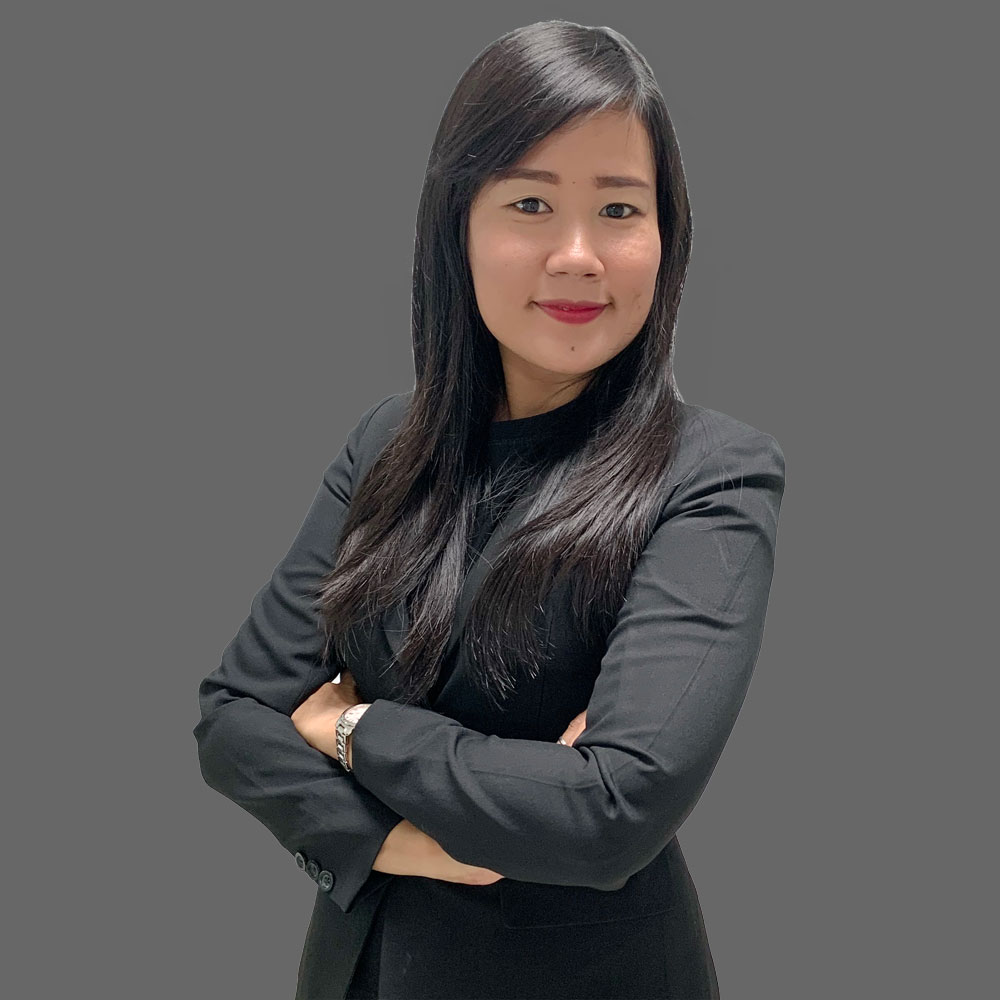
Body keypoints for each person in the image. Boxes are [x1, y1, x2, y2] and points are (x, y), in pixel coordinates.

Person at [192, 18, 785, 1000]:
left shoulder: (711, 475)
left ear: (666, 237)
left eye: (619, 209)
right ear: (456, 227)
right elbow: (234, 717)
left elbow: (609, 811)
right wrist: (397, 843)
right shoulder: (386, 444)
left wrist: (351, 727)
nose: (578, 255)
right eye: (530, 203)